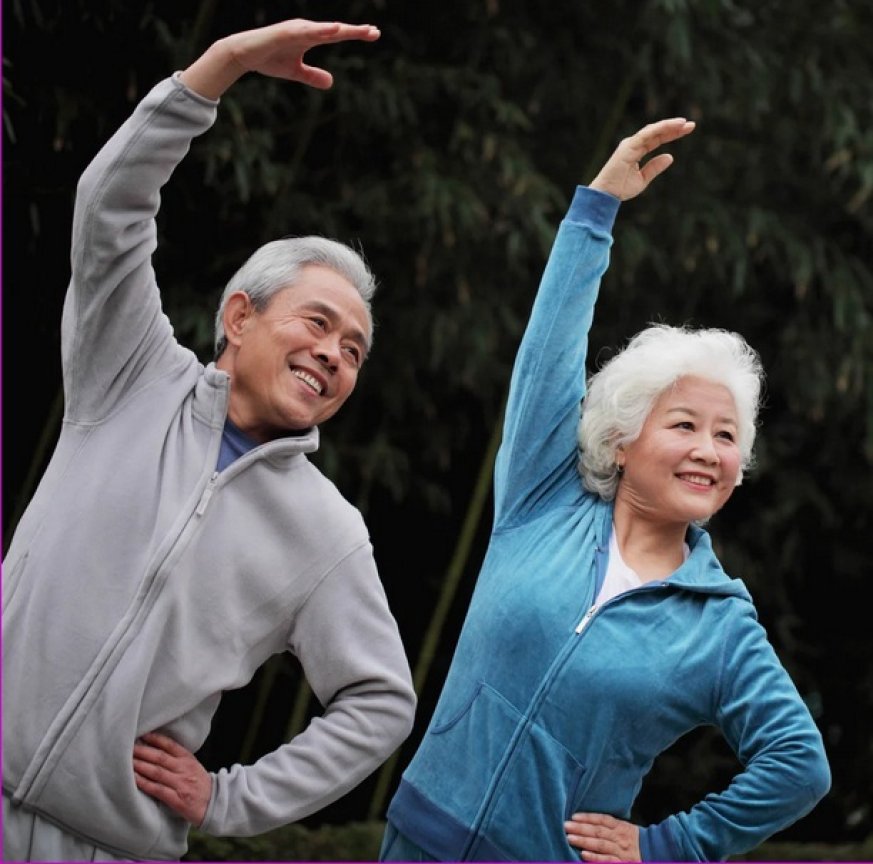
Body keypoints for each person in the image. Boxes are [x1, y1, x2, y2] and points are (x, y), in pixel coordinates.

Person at [2, 19, 416, 862]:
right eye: (318, 323)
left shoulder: (327, 531)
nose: (333, 355)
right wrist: (215, 72)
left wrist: (228, 798)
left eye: (354, 351)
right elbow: (110, 210)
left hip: (105, 847)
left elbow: (380, 702)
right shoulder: (131, 375)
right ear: (239, 315)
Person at [379, 119, 831, 862]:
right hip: (413, 840)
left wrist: (669, 846)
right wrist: (595, 211)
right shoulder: (541, 501)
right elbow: (548, 351)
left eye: (726, 437)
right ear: (622, 442)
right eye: (684, 424)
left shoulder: (719, 628)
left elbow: (798, 766)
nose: (707, 451)